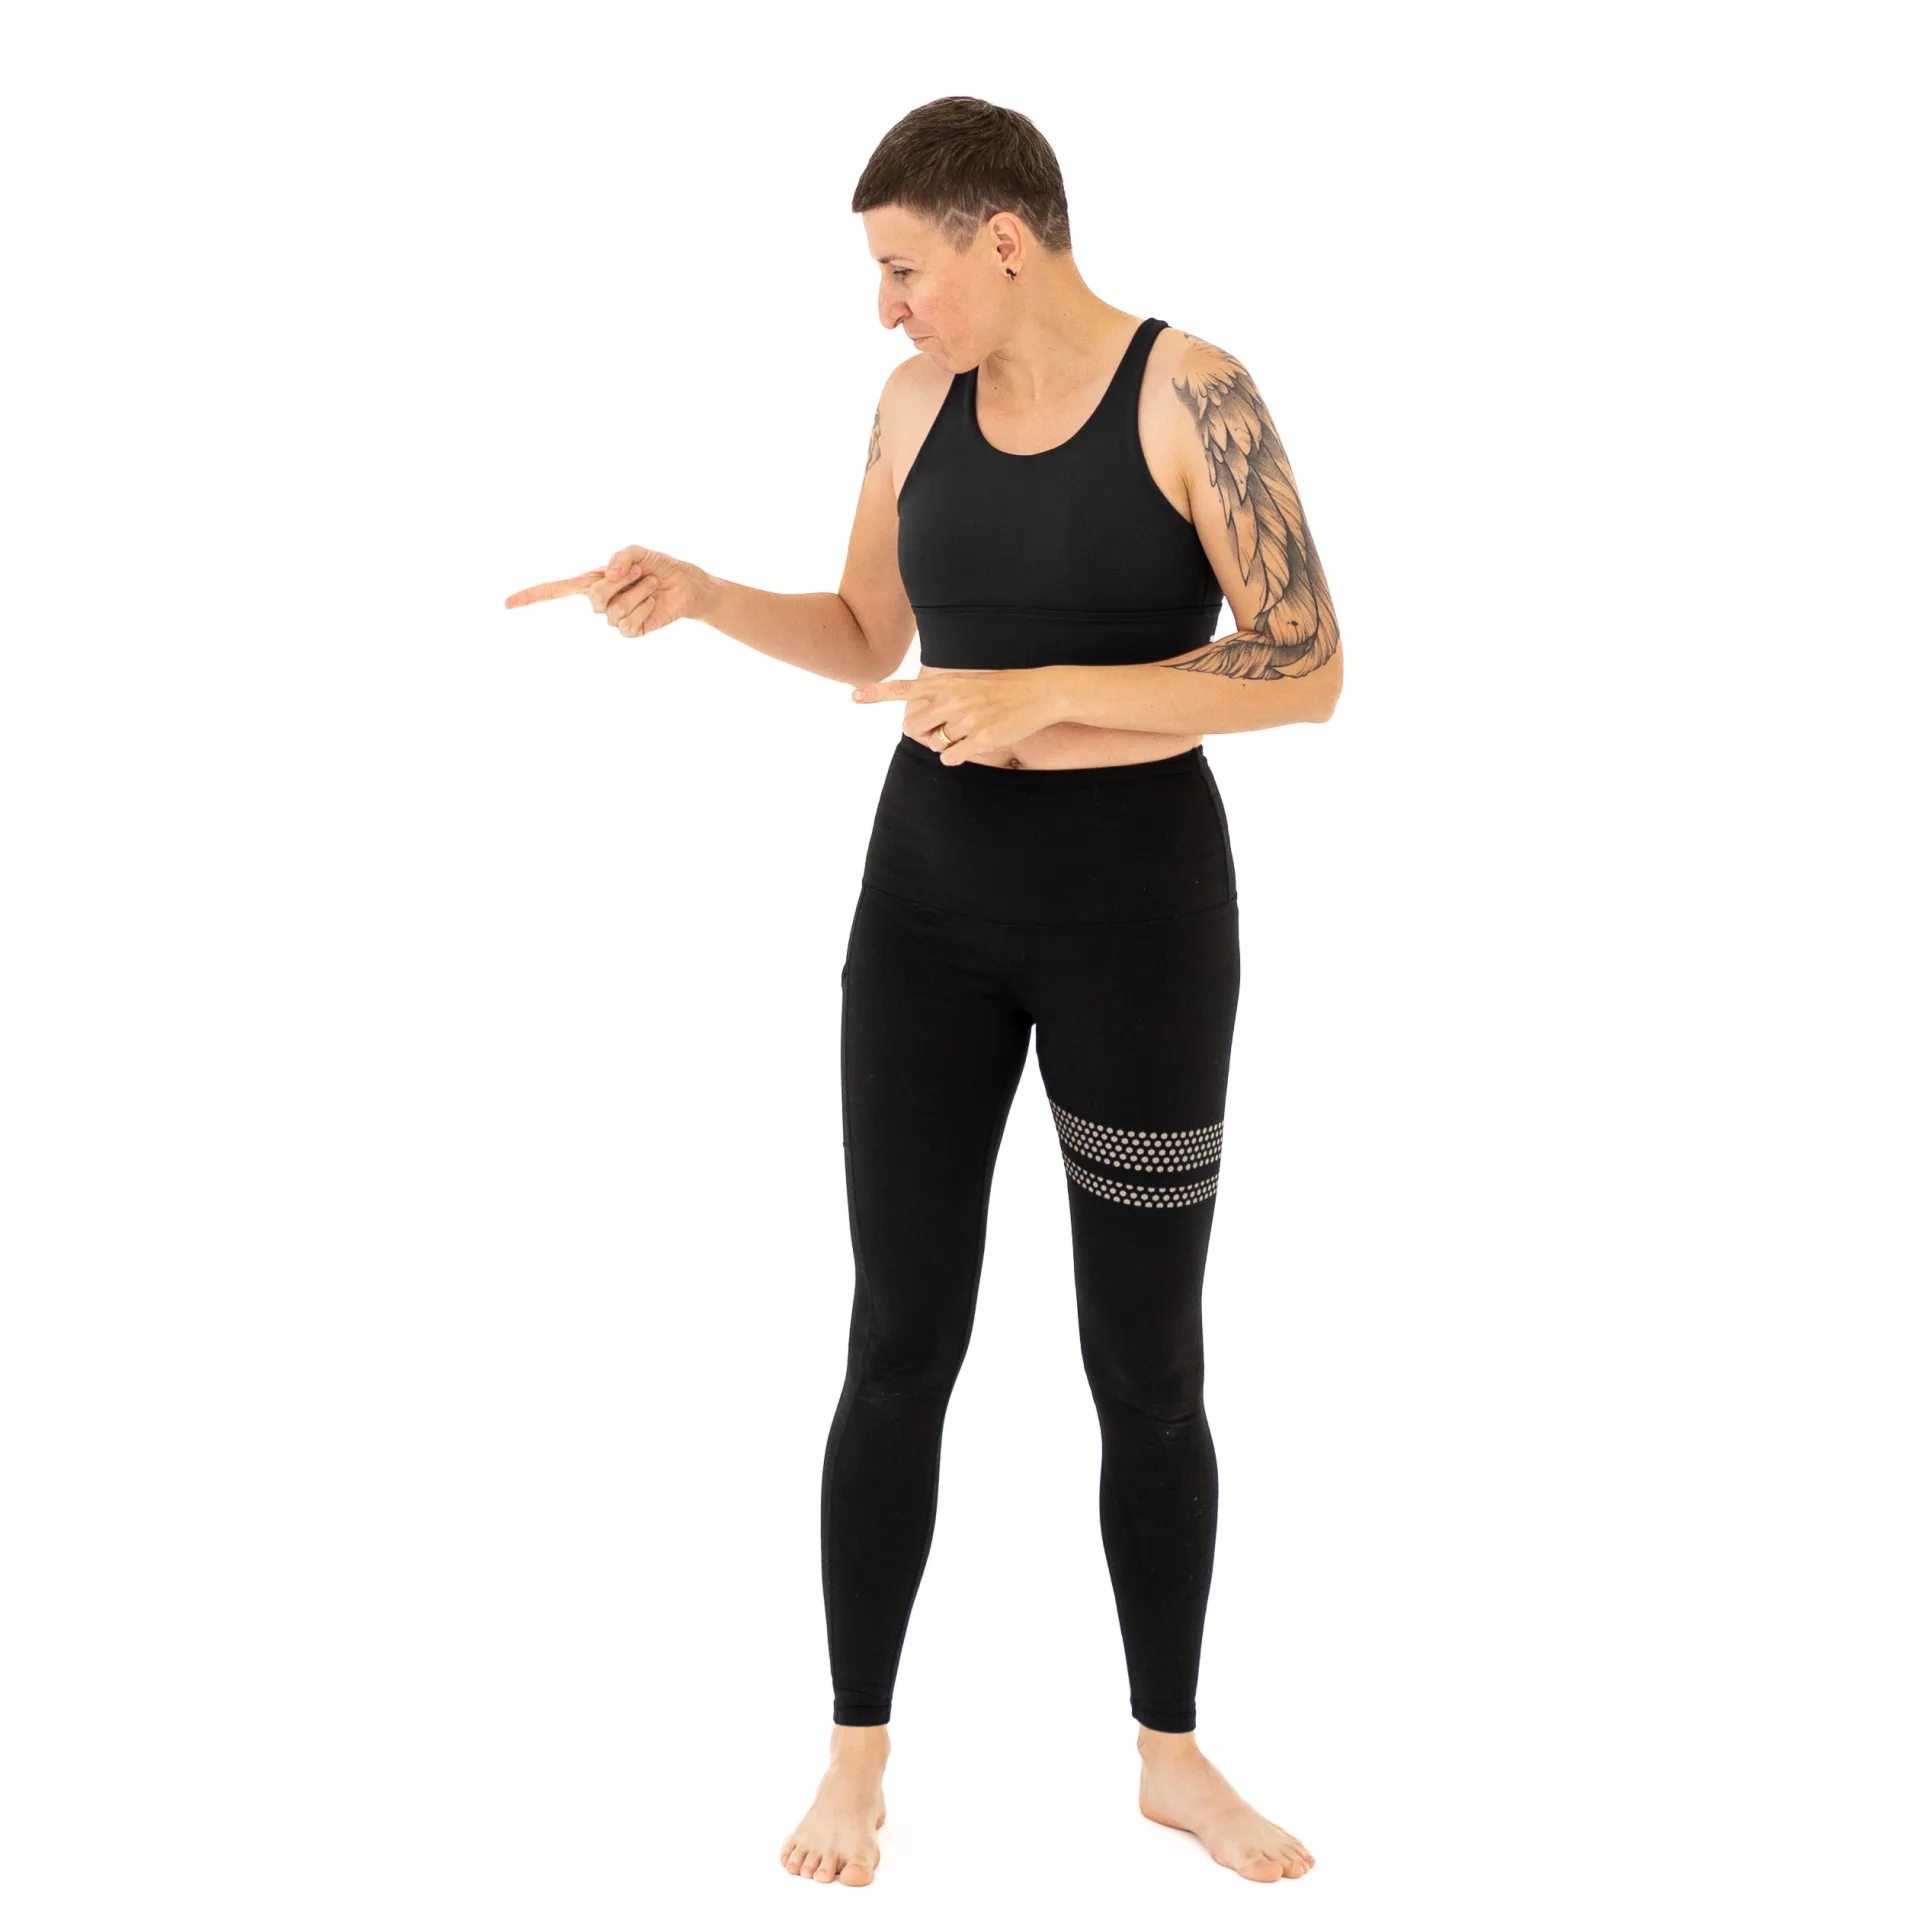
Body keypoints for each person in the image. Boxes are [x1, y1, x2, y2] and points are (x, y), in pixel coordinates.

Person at [504, 95, 1340, 1888]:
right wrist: (706, 595)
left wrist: (1051, 692)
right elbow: (871, 640)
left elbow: (1307, 667)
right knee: (897, 1342)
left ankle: (1172, 1757)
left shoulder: (1194, 395)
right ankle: (856, 1759)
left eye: (903, 270)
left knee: (1148, 1363)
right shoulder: (910, 405)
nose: (886, 308)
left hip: (1139, 931)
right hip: (928, 924)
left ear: (1001, 241)